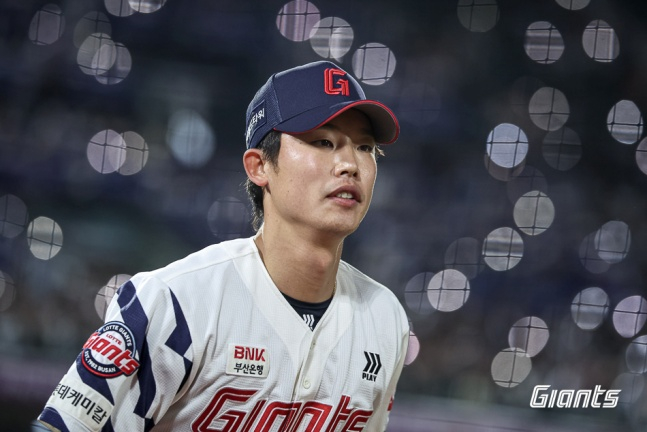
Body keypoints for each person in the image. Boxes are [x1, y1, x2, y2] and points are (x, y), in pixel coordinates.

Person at [38, 60, 409, 432]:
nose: (349, 164)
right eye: (323, 142)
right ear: (259, 166)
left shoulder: (384, 319)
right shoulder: (175, 300)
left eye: (365, 147)